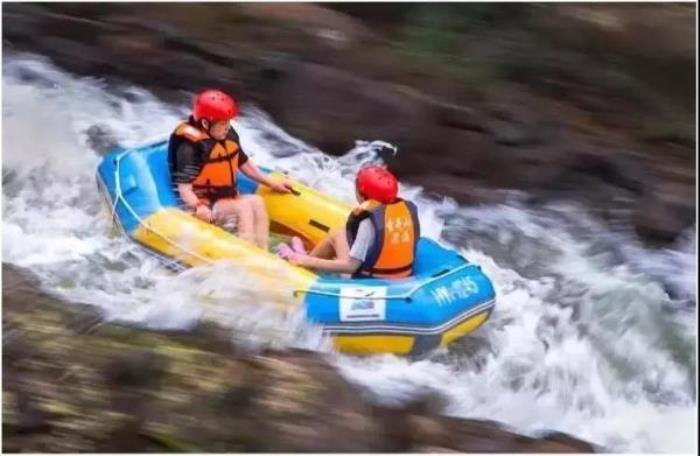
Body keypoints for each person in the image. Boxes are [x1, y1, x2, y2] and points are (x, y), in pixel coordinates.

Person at [168, 89, 292, 249]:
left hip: (226, 199)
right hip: (204, 204)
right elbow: (184, 189)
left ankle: (263, 251)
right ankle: (246, 254)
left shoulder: (227, 135)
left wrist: (272, 183)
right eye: (223, 123)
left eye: (228, 122)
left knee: (257, 201)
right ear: (206, 123)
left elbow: (244, 163)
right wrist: (198, 206)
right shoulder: (190, 146)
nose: (227, 127)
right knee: (244, 207)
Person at [278, 166, 420, 278]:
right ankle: (307, 259)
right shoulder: (404, 213)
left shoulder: (367, 223)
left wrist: (307, 261)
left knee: (336, 235)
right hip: (402, 276)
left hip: (369, 283)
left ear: (362, 194)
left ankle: (304, 263)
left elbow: (351, 267)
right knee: (340, 234)